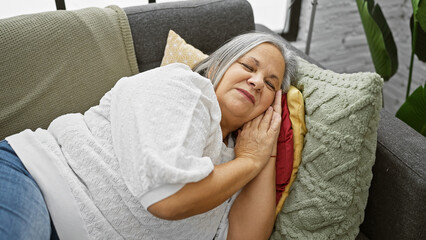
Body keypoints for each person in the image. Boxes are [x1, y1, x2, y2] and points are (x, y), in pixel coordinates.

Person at [0, 32, 297, 240]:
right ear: (217, 66)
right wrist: (249, 161)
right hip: (33, 181)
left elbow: (244, 236)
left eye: (271, 85)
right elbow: (168, 198)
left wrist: (265, 151)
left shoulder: (236, 157)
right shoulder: (182, 86)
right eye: (248, 66)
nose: (257, 82)